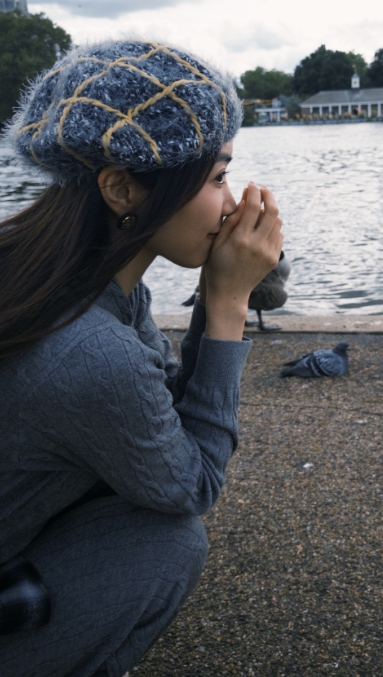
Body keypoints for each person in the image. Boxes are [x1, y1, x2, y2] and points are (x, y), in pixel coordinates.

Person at [0, 39, 283, 676]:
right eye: (217, 178)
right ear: (121, 188)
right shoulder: (89, 349)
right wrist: (228, 302)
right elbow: (193, 482)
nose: (232, 205)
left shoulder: (53, 279)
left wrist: (216, 294)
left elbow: (158, 414)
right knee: (168, 543)